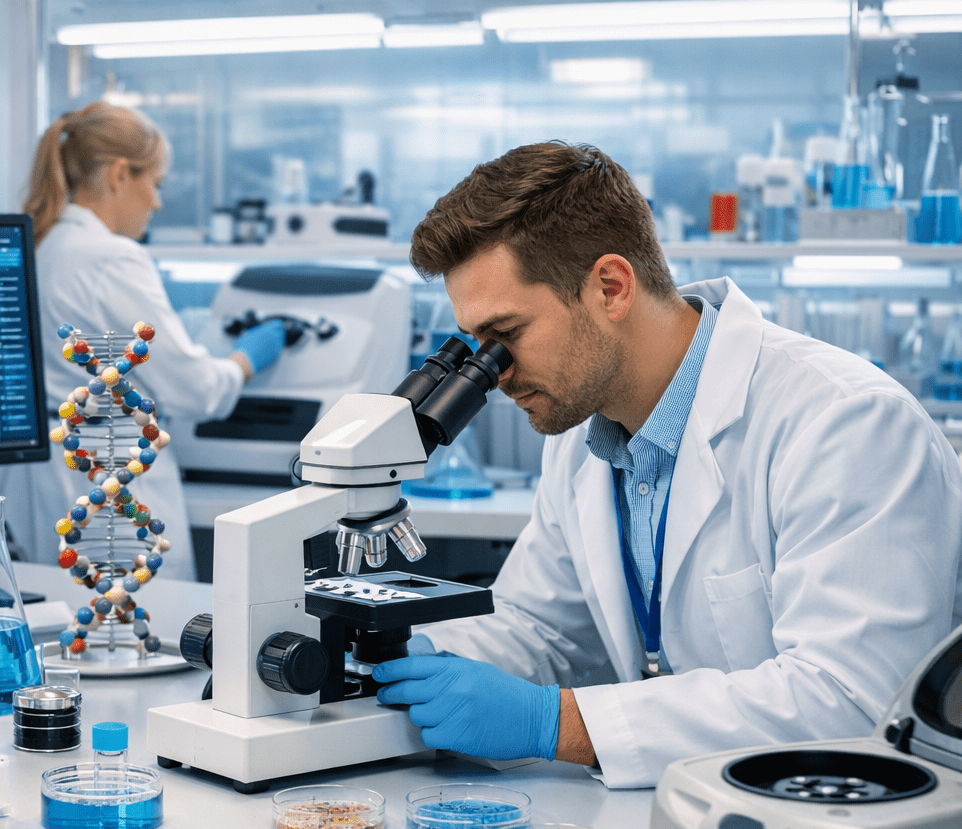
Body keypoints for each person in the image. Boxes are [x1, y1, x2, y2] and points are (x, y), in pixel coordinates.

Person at [373, 142, 962, 788]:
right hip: (676, 816)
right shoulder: (581, 436)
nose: (496, 375)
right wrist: (409, 660)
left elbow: (848, 699)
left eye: (506, 336)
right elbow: (542, 630)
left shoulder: (845, 423)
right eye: (479, 347)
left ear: (611, 288)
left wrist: (559, 724)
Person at [0, 100, 286, 581]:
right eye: (156, 183)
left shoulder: (40, 243)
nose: (157, 202)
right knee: (143, 641)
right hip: (106, 480)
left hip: (39, 477)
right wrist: (244, 359)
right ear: (118, 174)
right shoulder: (110, 257)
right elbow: (194, 388)